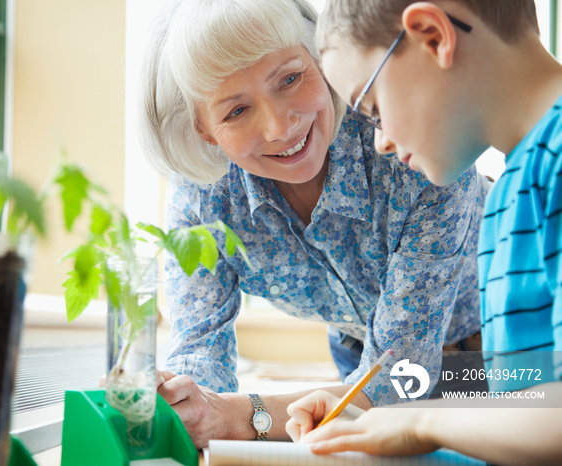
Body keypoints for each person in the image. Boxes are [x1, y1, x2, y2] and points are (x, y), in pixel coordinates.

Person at [139, 0, 488, 448]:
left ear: (319, 59)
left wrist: (243, 416)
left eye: (289, 78)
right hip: (357, 358)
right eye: (235, 111)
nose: (279, 127)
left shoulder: (410, 145)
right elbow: (199, 349)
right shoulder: (202, 194)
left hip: (493, 351)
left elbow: (403, 379)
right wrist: (190, 404)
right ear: (205, 130)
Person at [286, 1, 562, 464]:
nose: (380, 141)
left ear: (434, 36)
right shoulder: (510, 196)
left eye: (372, 109)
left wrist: (421, 423)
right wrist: (368, 416)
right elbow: (529, 401)